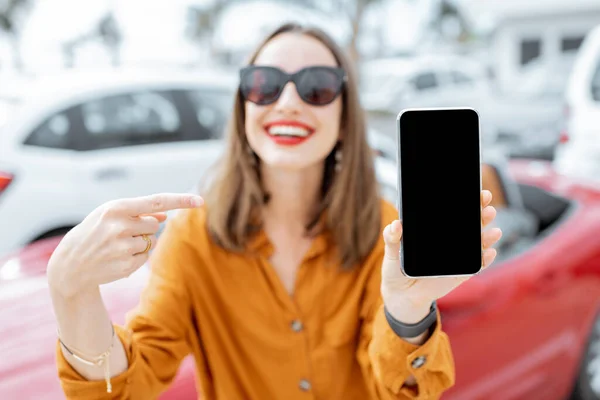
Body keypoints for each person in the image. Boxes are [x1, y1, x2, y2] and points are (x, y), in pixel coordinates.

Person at [48, 22, 502, 400]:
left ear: (345, 119)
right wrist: (73, 293)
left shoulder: (384, 230)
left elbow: (400, 391)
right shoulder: (193, 238)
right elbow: (130, 383)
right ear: (244, 106)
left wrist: (407, 311)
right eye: (264, 84)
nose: (287, 102)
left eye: (317, 87)